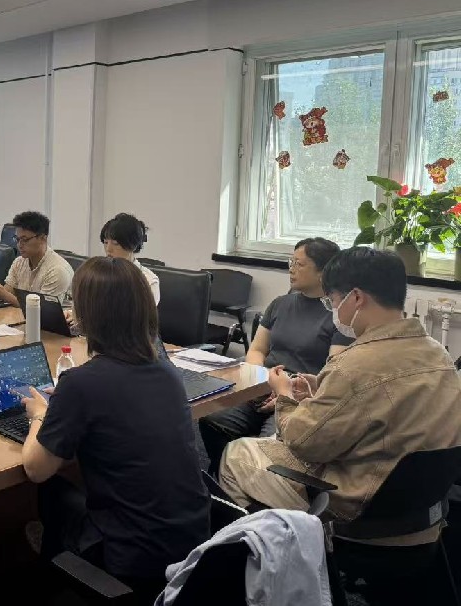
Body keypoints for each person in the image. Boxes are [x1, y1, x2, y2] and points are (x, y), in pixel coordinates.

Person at [219, 247, 461, 543]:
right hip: (421, 513)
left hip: (357, 510)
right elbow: (382, 407)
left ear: (356, 298)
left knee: (237, 453)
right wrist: (322, 390)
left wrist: (285, 396)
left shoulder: (355, 364)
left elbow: (303, 443)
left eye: (332, 300)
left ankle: (280, 553)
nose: (333, 309)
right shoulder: (439, 355)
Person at [19, 257, 210, 598]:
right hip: (192, 545)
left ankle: (55, 572)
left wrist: (40, 414)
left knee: (50, 490)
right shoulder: (167, 372)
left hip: (133, 559)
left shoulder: (81, 383)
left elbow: (36, 468)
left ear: (88, 314)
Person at [198, 237, 352, 474]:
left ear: (324, 272)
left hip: (300, 397)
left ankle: (253, 486)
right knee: (213, 420)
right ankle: (224, 478)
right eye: (291, 262)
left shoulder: (339, 316)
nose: (291, 269)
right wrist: (261, 379)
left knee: (269, 446)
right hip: (263, 386)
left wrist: (285, 392)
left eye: (299, 264)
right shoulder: (280, 304)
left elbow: (332, 374)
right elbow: (257, 350)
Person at [0, 211, 74, 307]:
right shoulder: (19, 262)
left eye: (25, 240)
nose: (19, 245)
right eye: (17, 239)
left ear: (43, 238)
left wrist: (5, 295)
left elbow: (43, 309)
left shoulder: (57, 270)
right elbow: (8, 291)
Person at [100, 213, 160, 304]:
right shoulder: (100, 274)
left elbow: (142, 312)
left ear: (133, 245)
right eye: (105, 242)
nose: (108, 249)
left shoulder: (148, 281)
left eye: (116, 244)